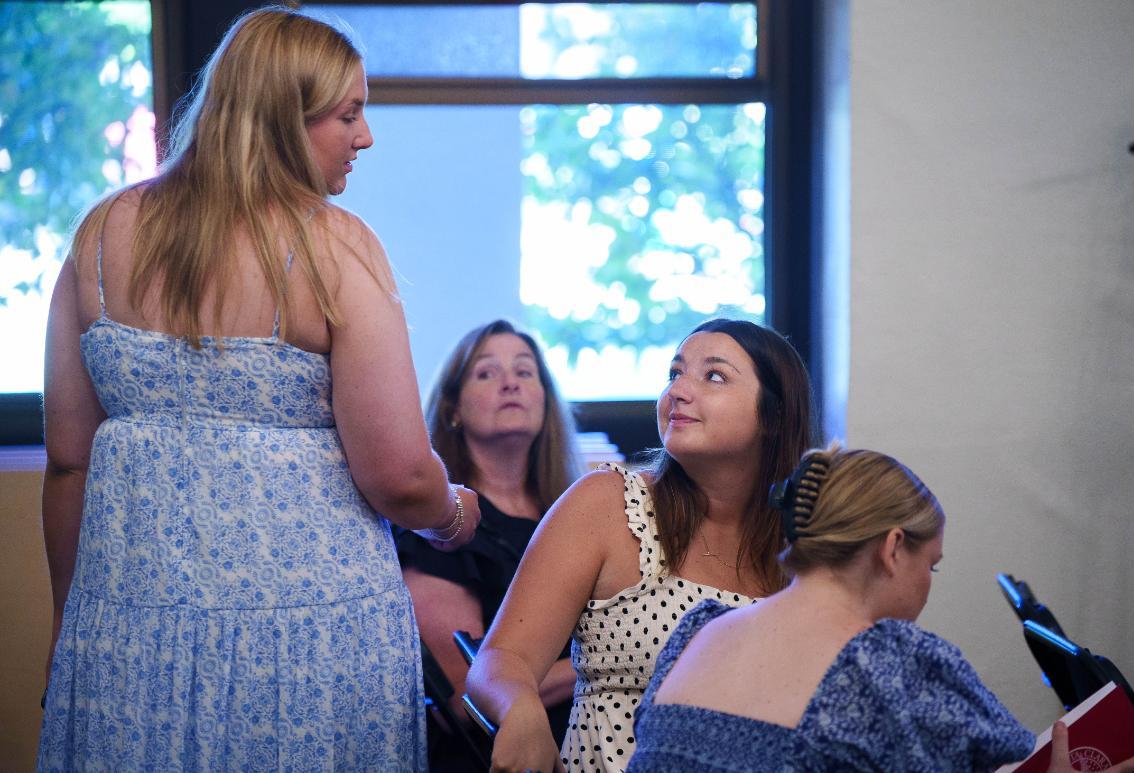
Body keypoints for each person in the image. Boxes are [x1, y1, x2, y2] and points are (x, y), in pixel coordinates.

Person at [37, 8, 480, 770]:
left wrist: (71, 629)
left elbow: (69, 461)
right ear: (283, 117)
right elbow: (400, 473)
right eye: (348, 114)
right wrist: (452, 515)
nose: (366, 137)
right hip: (312, 648)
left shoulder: (101, 236)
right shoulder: (335, 246)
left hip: (128, 641)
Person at [626, 445, 1134, 773]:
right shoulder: (886, 665)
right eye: (932, 565)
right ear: (893, 548)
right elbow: (1019, 758)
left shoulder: (696, 632)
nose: (928, 585)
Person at [465, 318, 817, 773]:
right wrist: (520, 709)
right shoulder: (609, 503)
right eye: (675, 373)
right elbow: (500, 659)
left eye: (713, 376)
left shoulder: (807, 550)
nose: (679, 391)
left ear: (773, 415)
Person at [393, 319, 586, 765]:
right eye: (486, 373)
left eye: (524, 371)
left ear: (545, 401)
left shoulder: (577, 514)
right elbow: (462, 699)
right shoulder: (440, 532)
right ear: (453, 409)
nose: (510, 383)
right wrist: (613, 664)